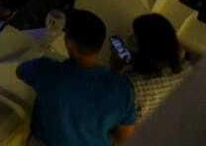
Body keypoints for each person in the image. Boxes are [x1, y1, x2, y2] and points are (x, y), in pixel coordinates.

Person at [16, 9, 136, 145]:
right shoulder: (123, 88)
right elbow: (123, 138)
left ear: (70, 43)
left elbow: (20, 70)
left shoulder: (47, 71)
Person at [125, 13, 189, 121]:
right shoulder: (187, 68)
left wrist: (115, 68)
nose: (130, 38)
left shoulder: (132, 85)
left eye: (135, 37)